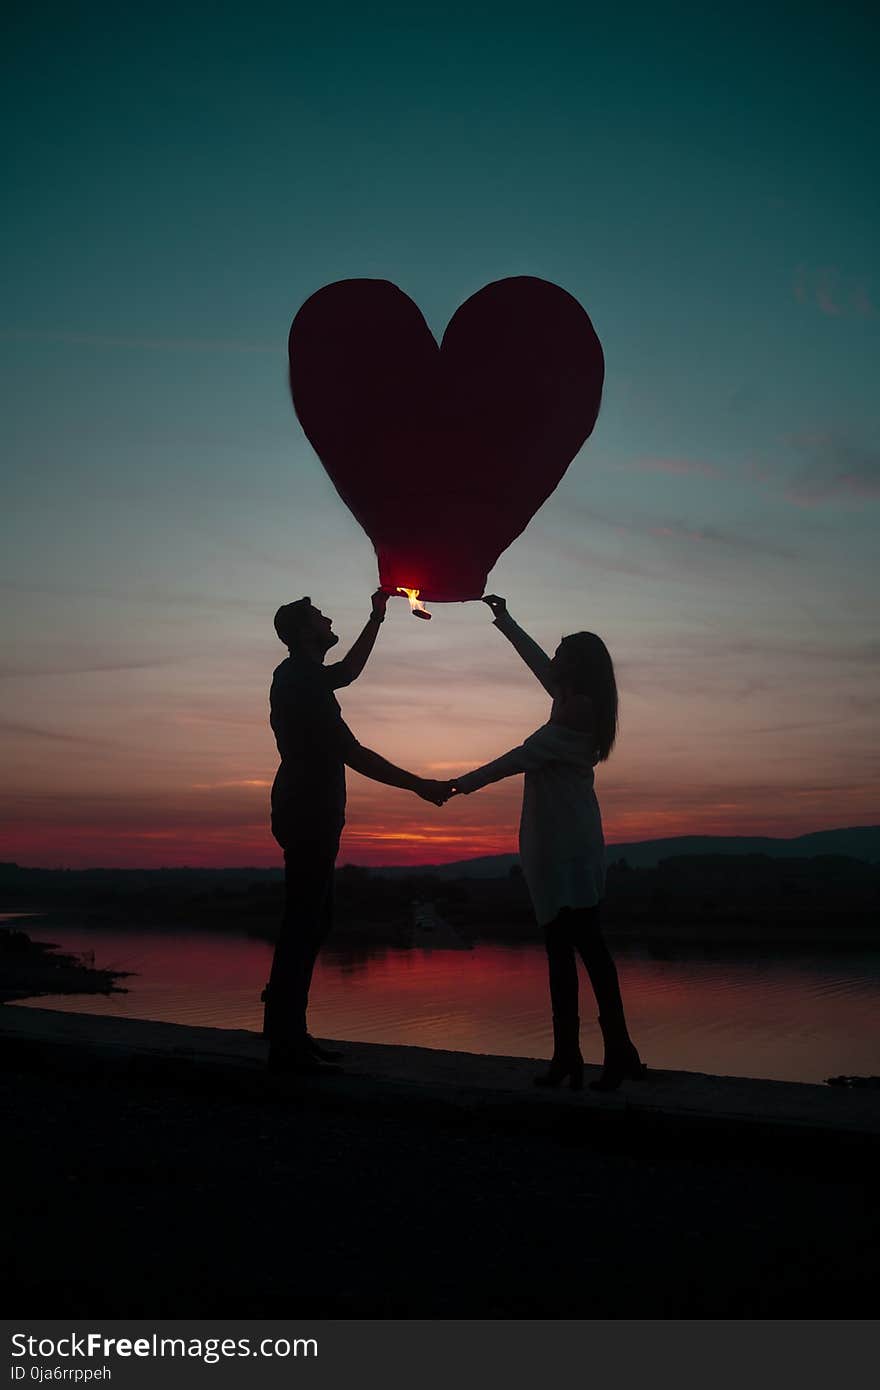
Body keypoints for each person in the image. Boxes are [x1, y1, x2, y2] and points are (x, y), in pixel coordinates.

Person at [442, 595, 645, 1092]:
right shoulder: (571, 698)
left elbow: (523, 755)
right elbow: (536, 661)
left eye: (561, 653)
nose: (552, 659)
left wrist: (456, 785)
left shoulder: (578, 709)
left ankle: (602, 1053)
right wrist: (503, 617)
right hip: (556, 834)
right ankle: (580, 1054)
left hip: (566, 839)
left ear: (577, 664)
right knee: (567, 947)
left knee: (581, 946)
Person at [264, 590, 445, 1074]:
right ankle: (284, 1038)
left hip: (310, 807)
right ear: (305, 632)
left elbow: (347, 672)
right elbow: (354, 752)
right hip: (308, 810)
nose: (328, 620)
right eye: (321, 617)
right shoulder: (299, 680)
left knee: (312, 920)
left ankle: (289, 1031)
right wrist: (419, 785)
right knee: (304, 922)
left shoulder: (304, 677)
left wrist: (377, 615)